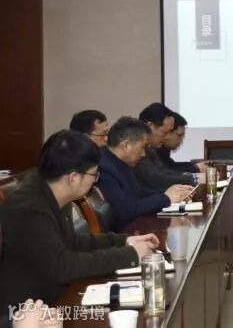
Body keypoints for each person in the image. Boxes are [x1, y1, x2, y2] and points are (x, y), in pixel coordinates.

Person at [0, 130, 158, 316]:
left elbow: (73, 242)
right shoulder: (28, 208)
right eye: (94, 175)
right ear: (73, 177)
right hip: (26, 313)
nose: (95, 181)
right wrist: (130, 254)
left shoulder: (53, 190)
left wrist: (125, 241)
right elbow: (63, 266)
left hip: (53, 299)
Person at [97, 117, 193, 231]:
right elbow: (126, 211)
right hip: (123, 235)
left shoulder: (119, 161)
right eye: (142, 147)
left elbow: (138, 191)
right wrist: (166, 198)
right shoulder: (104, 169)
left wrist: (172, 193)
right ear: (126, 145)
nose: (143, 154)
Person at [135, 104, 201, 190]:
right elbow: (157, 179)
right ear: (150, 127)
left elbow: (165, 172)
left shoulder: (150, 148)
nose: (166, 137)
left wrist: (194, 175)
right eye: (165, 133)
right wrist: (195, 178)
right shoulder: (137, 149)